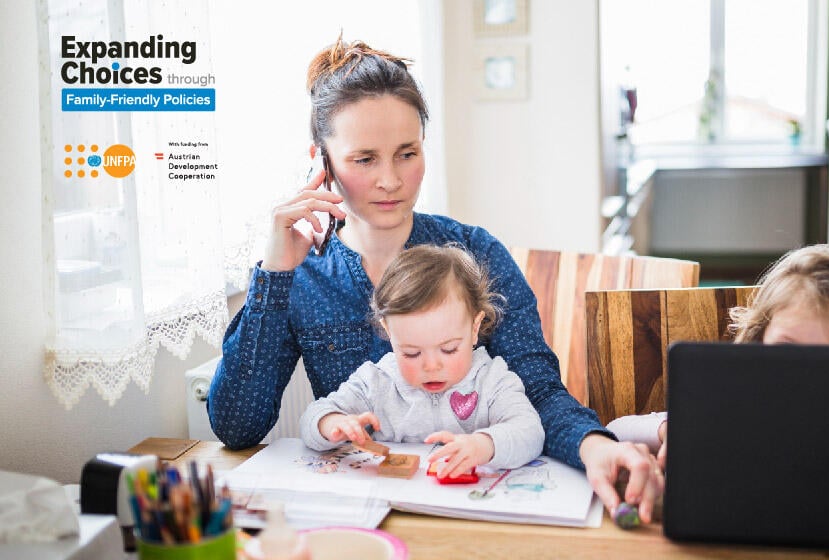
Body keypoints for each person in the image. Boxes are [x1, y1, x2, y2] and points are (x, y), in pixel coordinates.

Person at [207, 35, 661, 522]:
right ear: (322, 161)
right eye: (364, 159)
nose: (391, 179)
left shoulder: (474, 253)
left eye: (407, 153)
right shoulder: (301, 275)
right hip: (360, 513)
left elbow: (536, 389)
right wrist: (274, 276)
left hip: (474, 504)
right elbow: (237, 426)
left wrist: (594, 446)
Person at [607, 244, 829, 467]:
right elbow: (614, 431)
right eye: (786, 351)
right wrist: (668, 430)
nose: (804, 377)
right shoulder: (736, 408)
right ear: (759, 339)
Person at [300, 244, 545, 478]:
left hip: (464, 509)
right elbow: (312, 417)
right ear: (388, 331)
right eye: (411, 353)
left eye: (449, 349)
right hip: (395, 506)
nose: (431, 367)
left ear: (474, 327)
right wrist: (332, 424)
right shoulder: (376, 381)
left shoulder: (492, 380)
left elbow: (530, 432)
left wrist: (485, 445)